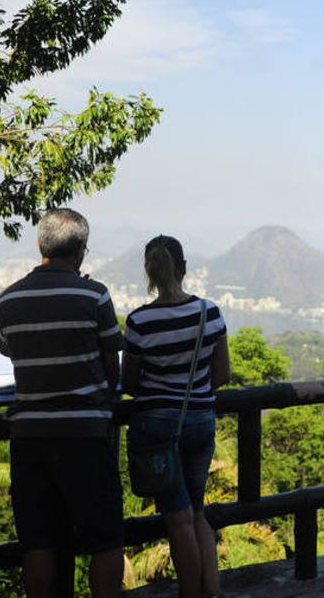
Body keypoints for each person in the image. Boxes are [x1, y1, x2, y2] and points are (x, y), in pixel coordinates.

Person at [0, 208, 124, 598]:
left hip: (29, 435)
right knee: (105, 539)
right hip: (85, 433)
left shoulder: (9, 299)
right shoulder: (94, 295)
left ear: (39, 246)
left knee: (38, 542)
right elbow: (111, 362)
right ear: (82, 250)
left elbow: (9, 351)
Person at [122, 235, 230, 598]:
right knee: (197, 513)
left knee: (178, 518)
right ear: (183, 268)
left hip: (155, 428)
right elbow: (222, 374)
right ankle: (210, 591)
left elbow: (130, 383)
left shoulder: (139, 322)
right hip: (200, 420)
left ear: (149, 272)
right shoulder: (209, 313)